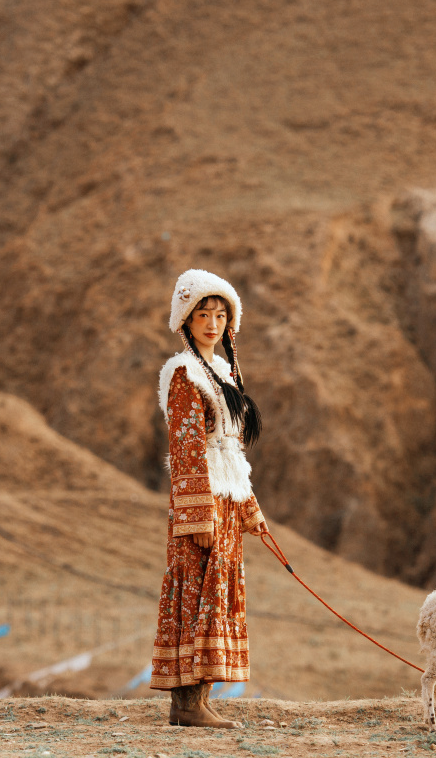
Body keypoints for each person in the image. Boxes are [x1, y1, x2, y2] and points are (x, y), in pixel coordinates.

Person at [150, 268, 269, 728]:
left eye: (221, 314)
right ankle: (186, 706)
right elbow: (185, 449)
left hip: (224, 500)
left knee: (214, 596)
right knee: (196, 595)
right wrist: (196, 517)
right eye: (203, 313)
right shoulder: (182, 374)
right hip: (199, 507)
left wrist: (248, 510)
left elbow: (231, 450)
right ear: (186, 318)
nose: (212, 323)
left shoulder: (222, 371)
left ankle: (197, 701)